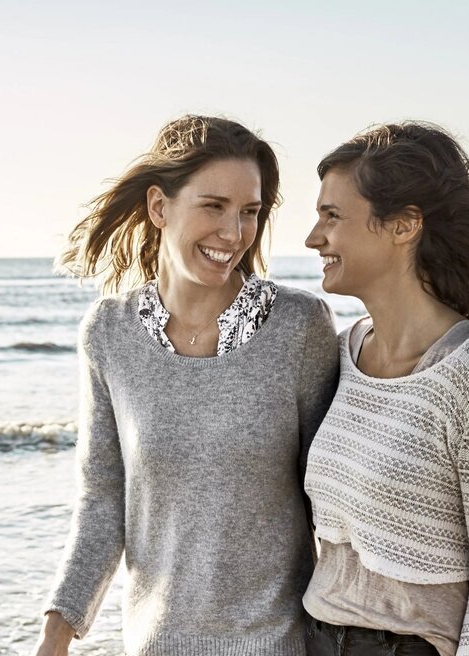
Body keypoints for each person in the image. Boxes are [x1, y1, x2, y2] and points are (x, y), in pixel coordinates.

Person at [33, 114, 341, 656]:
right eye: (213, 206)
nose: (233, 233)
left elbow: (335, 502)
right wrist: (54, 638)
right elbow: (103, 500)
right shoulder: (109, 332)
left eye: (249, 212)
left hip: (280, 644)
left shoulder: (298, 327)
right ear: (159, 207)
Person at [300, 122, 469, 656]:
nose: (313, 237)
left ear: (404, 225)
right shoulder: (342, 354)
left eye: (332, 216)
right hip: (317, 638)